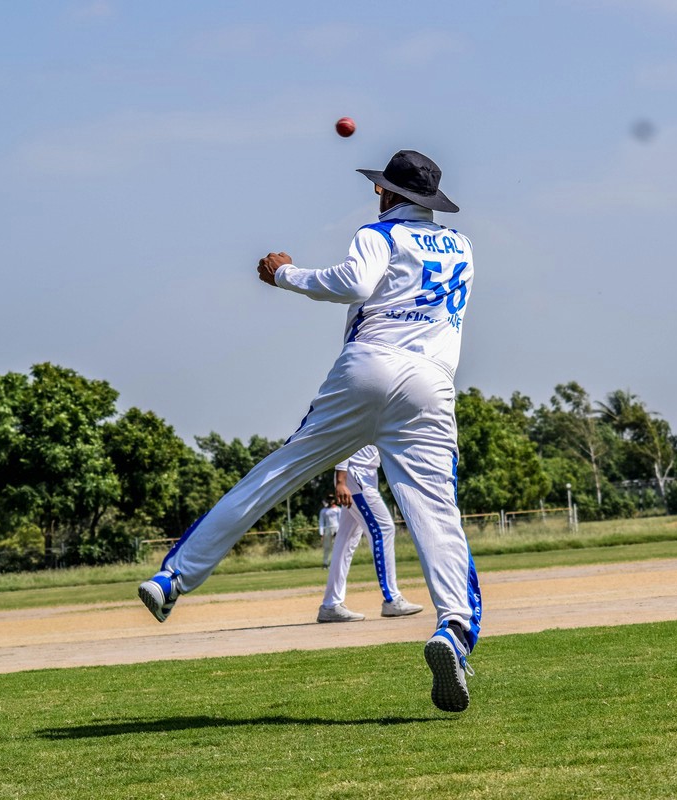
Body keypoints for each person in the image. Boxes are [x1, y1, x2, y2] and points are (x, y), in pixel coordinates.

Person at [138, 149, 482, 712]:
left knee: (276, 473)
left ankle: (172, 578)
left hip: (368, 365)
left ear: (387, 193)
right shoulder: (463, 245)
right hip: (430, 383)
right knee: (437, 512)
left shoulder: (378, 234)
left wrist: (284, 274)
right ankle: (455, 628)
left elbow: (354, 283)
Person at [317, 445, 425, 622]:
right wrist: (340, 481)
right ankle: (392, 599)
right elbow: (345, 438)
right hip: (356, 473)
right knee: (383, 529)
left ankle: (330, 605)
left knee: (346, 539)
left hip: (366, 473)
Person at [318, 496, 341, 569]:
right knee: (327, 547)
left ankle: (335, 563)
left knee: (336, 547)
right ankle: (325, 563)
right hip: (327, 529)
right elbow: (321, 522)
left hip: (336, 528)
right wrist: (321, 533)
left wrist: (338, 531)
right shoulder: (323, 511)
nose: (330, 501)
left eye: (332, 499)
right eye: (329, 499)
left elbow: (340, 521)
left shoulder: (338, 509)